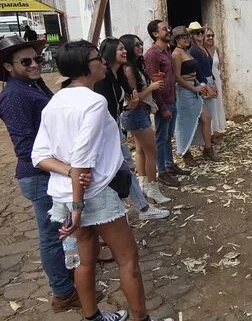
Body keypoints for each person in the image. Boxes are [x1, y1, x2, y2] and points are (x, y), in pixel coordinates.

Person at [32, 40, 172, 321]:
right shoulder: (94, 102)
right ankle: (141, 318)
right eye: (98, 58)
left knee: (86, 259)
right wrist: (77, 204)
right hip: (92, 194)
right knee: (127, 259)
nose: (103, 62)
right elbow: (82, 157)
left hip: (66, 194)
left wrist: (69, 175)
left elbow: (40, 156)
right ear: (85, 66)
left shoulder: (55, 102)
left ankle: (92, 316)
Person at [0, 35, 99, 312]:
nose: (34, 64)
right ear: (9, 67)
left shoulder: (34, 85)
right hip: (40, 175)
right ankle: (63, 293)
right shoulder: (14, 96)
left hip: (54, 171)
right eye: (25, 61)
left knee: (66, 230)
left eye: (37, 59)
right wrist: (68, 170)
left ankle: (72, 276)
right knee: (51, 236)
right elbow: (26, 148)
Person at [95, 37, 170, 221]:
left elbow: (124, 104)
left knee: (130, 162)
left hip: (119, 123)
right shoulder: (106, 78)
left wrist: (131, 102)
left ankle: (141, 203)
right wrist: (149, 89)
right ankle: (146, 196)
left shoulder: (118, 74)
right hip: (114, 127)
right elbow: (110, 107)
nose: (126, 51)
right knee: (146, 153)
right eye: (121, 49)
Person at [118, 34, 172, 204]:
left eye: (141, 44)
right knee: (152, 151)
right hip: (136, 113)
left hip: (139, 113)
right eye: (136, 45)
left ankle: (143, 185)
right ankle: (153, 189)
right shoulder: (129, 69)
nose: (140, 47)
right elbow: (134, 98)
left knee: (141, 150)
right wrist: (152, 87)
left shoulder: (136, 66)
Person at [144, 20, 190, 184]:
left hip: (172, 98)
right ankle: (162, 171)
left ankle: (170, 165)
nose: (169, 31)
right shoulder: (152, 54)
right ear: (155, 34)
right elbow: (153, 82)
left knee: (168, 136)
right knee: (161, 137)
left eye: (168, 27)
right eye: (165, 29)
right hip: (163, 102)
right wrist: (162, 107)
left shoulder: (167, 50)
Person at [172, 25, 219, 164]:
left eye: (187, 36)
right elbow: (177, 77)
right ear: (176, 39)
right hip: (184, 92)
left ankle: (208, 149)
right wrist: (194, 88)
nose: (186, 39)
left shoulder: (187, 51)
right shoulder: (176, 54)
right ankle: (185, 153)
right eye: (183, 37)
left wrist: (201, 85)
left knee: (206, 118)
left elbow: (195, 72)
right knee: (184, 123)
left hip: (194, 89)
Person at [204, 27, 226, 143]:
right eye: (208, 35)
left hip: (216, 79)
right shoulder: (201, 50)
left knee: (217, 104)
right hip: (206, 80)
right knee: (209, 106)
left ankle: (215, 130)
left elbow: (219, 65)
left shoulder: (216, 49)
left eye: (212, 35)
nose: (210, 38)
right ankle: (208, 133)